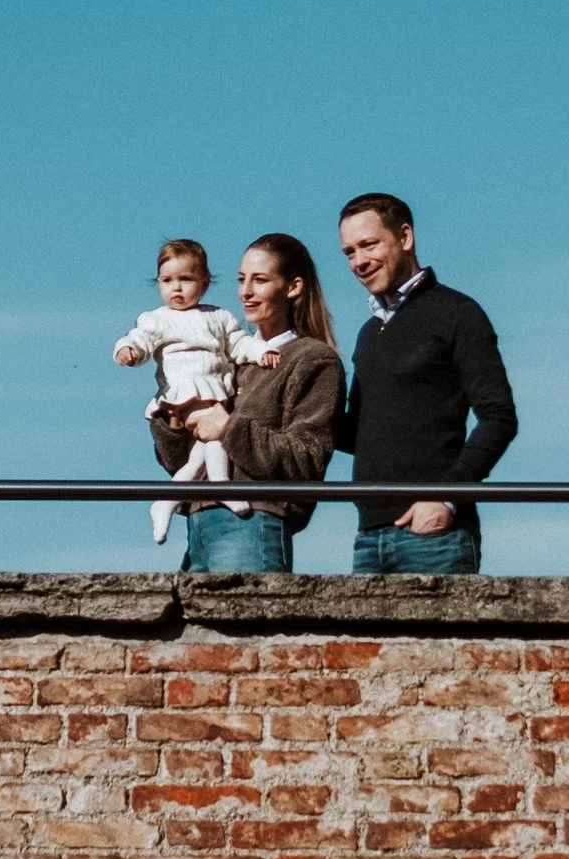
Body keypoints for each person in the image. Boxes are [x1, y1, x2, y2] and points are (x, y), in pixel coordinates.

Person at [336, 192, 517, 577]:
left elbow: (499, 417)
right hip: (368, 537)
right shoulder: (369, 333)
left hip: (437, 539)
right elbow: (357, 432)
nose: (359, 262)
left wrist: (446, 498)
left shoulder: (458, 313)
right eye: (349, 252)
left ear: (405, 237)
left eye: (368, 245)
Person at [152, 231, 344, 575]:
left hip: (255, 520)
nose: (245, 292)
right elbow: (178, 462)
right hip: (197, 524)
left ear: (293, 287)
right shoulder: (224, 358)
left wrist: (228, 428)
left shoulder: (312, 359)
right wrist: (172, 422)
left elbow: (307, 461)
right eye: (242, 280)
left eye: (260, 280)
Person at [115, 239, 255, 546]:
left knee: (198, 457)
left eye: (185, 279)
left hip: (212, 390)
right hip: (183, 393)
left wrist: (260, 351)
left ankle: (166, 500)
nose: (175, 288)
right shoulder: (159, 318)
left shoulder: (219, 317)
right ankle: (221, 487)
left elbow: (239, 343)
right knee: (215, 437)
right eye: (167, 281)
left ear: (204, 282)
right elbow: (141, 339)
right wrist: (129, 350)